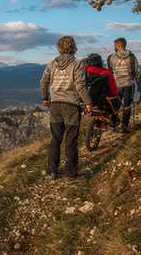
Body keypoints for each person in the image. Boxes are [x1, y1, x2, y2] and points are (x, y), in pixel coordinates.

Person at [40, 36, 93, 180]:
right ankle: (70, 173)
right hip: (71, 106)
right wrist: (88, 103)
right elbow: (80, 86)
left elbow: (43, 81)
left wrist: (45, 98)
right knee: (71, 139)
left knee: (56, 138)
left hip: (55, 105)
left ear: (59, 47)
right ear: (73, 47)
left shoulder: (52, 63)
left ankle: (52, 170)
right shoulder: (78, 63)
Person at [107, 37, 141, 133]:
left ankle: (113, 126)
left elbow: (109, 73)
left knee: (115, 106)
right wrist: (140, 87)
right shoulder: (132, 57)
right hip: (129, 84)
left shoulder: (111, 57)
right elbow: (137, 72)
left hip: (116, 86)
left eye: (115, 45)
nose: (114, 47)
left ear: (118, 45)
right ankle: (124, 126)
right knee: (127, 106)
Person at [85, 53, 120, 127]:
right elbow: (112, 88)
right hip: (103, 100)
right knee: (116, 102)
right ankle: (114, 120)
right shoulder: (106, 72)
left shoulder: (85, 71)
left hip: (87, 99)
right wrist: (116, 95)